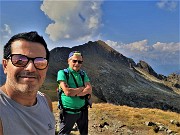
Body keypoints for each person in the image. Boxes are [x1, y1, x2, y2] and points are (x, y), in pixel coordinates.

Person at [0, 31, 55, 135]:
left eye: (40, 62)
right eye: (19, 60)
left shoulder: (46, 101)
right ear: (5, 65)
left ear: (46, 68)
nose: (31, 68)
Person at [57, 51, 92, 135]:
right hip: (68, 112)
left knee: (84, 133)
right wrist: (82, 88)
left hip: (83, 110)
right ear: (68, 61)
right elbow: (67, 92)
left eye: (80, 62)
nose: (77, 63)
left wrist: (75, 93)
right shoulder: (63, 73)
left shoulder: (83, 74)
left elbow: (89, 89)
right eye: (74, 61)